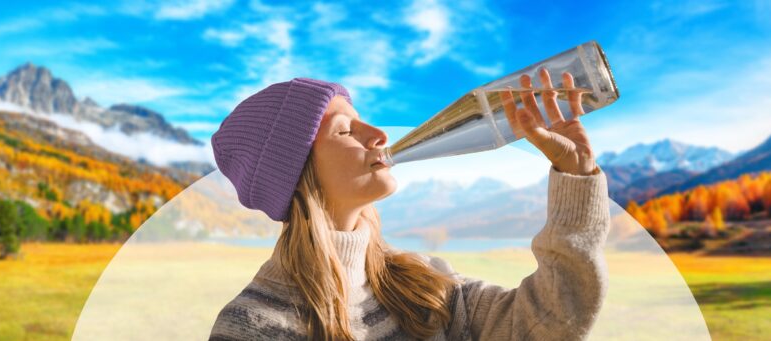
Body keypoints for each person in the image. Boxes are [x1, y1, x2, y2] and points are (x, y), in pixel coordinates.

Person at [208, 69, 610, 341]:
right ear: (294, 173)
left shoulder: (424, 284)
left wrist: (575, 172)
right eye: (345, 131)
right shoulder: (252, 326)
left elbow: (548, 321)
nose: (379, 134)